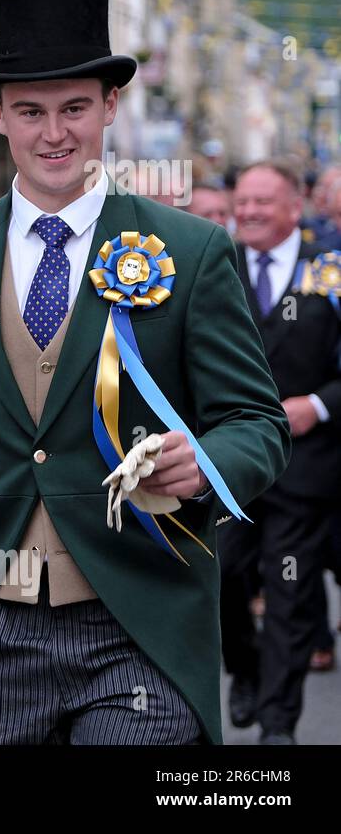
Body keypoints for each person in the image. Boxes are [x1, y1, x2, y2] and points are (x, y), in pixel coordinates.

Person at [0, 0, 289, 744]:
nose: (54, 132)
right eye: (30, 111)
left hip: (139, 626)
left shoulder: (191, 252)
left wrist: (203, 458)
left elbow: (257, 422)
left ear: (110, 105)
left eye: (74, 107)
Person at [221, 159, 341, 744]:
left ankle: (277, 725)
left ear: (295, 207)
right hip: (227, 462)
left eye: (262, 203)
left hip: (305, 464)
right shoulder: (215, 264)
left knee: (291, 591)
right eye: (242, 201)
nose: (248, 213)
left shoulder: (332, 269)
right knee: (221, 576)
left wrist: (316, 405)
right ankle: (244, 668)